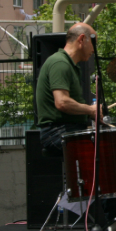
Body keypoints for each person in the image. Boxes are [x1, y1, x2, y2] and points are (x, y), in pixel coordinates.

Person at [36, 22, 100, 156]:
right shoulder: (60, 63)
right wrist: (90, 110)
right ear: (81, 39)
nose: (94, 49)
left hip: (66, 129)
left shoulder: (70, 65)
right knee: (103, 152)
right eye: (93, 43)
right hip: (57, 132)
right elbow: (62, 102)